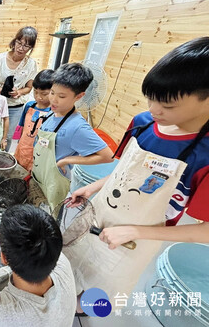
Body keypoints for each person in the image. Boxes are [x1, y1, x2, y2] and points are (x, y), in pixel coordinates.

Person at [64, 37, 209, 307]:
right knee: (74, 263)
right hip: (100, 213)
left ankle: (84, 310)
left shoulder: (204, 154)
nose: (154, 110)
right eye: (151, 99)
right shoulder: (142, 124)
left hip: (137, 240)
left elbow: (205, 231)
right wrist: (93, 188)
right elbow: (126, 175)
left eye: (167, 106)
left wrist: (135, 231)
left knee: (102, 288)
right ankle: (67, 299)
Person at [32, 63, 113, 210]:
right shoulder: (53, 112)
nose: (53, 100)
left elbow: (108, 156)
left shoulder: (77, 127)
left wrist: (66, 160)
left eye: (61, 96)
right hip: (40, 174)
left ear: (79, 96)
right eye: (52, 92)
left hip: (54, 182)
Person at [0, 27, 39, 151]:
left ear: (31, 48)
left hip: (15, 106)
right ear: (14, 41)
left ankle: (2, 163)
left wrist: (19, 92)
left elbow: (29, 88)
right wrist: (3, 90)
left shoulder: (31, 64)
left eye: (26, 46)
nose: (21, 48)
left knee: (6, 137)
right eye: (19, 43)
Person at [14, 69, 53, 171]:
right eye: (35, 92)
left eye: (44, 94)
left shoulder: (53, 113)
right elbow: (22, 127)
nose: (38, 97)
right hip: (22, 148)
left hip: (38, 154)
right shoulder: (29, 106)